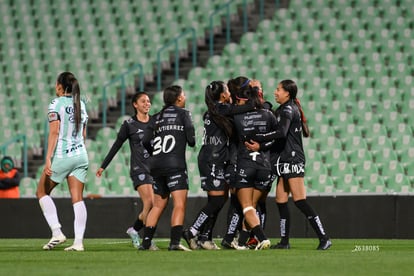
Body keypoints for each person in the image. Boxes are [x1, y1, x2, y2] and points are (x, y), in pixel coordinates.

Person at [247, 79, 331, 250]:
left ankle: (324, 238)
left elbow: (281, 133)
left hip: (293, 159)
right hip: (284, 160)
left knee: (300, 201)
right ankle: (285, 242)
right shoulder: (283, 109)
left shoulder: (288, 109)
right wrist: (261, 146)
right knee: (281, 200)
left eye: (278, 90)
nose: (275, 92)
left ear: (287, 93)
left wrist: (259, 138)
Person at [182, 81, 253, 250]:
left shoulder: (212, 111)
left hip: (211, 158)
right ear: (223, 95)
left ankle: (205, 237)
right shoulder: (221, 109)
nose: (229, 92)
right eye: (227, 90)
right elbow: (246, 108)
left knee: (217, 200)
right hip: (212, 159)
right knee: (217, 200)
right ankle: (192, 231)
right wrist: (254, 91)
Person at [36, 72, 89, 251]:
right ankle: (78, 243)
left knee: (41, 192)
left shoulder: (55, 103)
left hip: (63, 155)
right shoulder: (80, 104)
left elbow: (54, 132)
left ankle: (57, 232)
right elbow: (83, 134)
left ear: (59, 86)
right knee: (77, 198)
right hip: (81, 155)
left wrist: (48, 158)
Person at [96, 91, 155, 249]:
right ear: (135, 105)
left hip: (154, 169)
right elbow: (117, 145)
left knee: (152, 205)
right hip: (139, 168)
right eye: (143, 101)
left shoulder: (155, 121)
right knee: (150, 201)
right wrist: (103, 166)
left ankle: (134, 230)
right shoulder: (129, 124)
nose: (147, 104)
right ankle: (147, 239)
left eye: (148, 101)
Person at [140, 85, 195, 251]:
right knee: (179, 204)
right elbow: (192, 140)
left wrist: (155, 154)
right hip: (175, 165)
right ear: (178, 98)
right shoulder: (184, 114)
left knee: (158, 205)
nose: (185, 97)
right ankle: (175, 243)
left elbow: (144, 141)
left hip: (156, 165)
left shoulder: (155, 117)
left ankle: (146, 243)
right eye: (184, 95)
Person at [229, 76, 276, 250]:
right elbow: (277, 138)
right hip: (264, 166)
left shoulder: (238, 116)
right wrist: (262, 145)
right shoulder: (269, 114)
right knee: (254, 206)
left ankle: (262, 238)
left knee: (247, 207)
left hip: (246, 165)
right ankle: (242, 242)